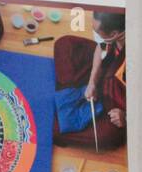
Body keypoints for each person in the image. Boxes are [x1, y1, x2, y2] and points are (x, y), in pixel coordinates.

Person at [51, 10, 127, 150]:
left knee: (107, 137)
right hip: (104, 72)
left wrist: (126, 117)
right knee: (65, 44)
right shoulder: (115, 30)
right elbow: (101, 47)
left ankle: (69, 92)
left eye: (98, 32)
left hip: (115, 102)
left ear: (115, 34)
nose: (96, 35)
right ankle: (72, 92)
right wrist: (92, 81)